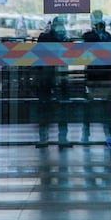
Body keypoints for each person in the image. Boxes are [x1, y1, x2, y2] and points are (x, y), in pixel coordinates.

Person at [36, 16, 71, 148]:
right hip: (47, 77)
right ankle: (44, 137)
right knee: (45, 107)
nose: (61, 27)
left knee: (63, 107)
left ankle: (62, 137)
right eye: (58, 24)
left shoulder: (65, 38)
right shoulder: (46, 37)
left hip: (61, 76)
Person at [82, 10, 111, 143]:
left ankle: (108, 133)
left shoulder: (108, 36)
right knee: (89, 106)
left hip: (105, 75)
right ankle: (86, 133)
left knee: (107, 107)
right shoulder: (88, 36)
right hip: (92, 76)